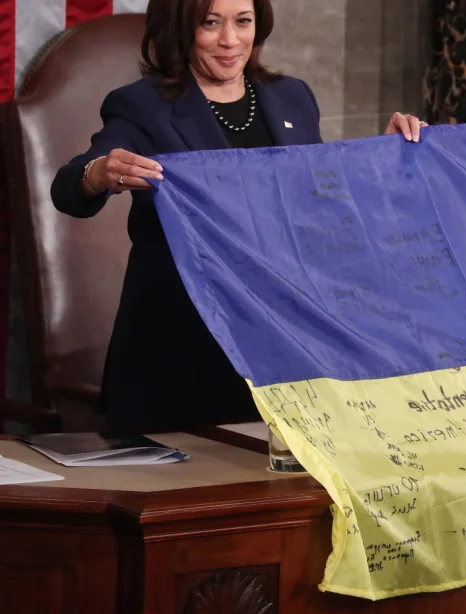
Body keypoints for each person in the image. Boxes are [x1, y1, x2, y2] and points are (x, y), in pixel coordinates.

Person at [50, 0, 427, 436]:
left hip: (280, 342)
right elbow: (68, 189)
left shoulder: (293, 97)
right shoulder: (142, 106)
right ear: (180, 28)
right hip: (182, 349)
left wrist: (377, 158)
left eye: (242, 21)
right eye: (210, 23)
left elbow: (318, 207)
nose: (231, 40)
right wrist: (98, 173)